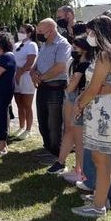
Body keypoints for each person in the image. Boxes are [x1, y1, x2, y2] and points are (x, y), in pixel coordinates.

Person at [71, 15, 111, 218]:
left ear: (99, 32)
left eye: (91, 32)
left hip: (102, 114)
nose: (88, 35)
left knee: (101, 159)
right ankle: (101, 196)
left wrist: (79, 105)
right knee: (100, 158)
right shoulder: (108, 53)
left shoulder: (104, 55)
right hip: (99, 110)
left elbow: (93, 88)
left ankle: (98, 206)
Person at [47, 35, 94, 177]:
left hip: (76, 98)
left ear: (85, 49)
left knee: (78, 137)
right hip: (72, 98)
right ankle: (62, 162)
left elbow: (73, 83)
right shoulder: (75, 62)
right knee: (69, 131)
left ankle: (79, 170)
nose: (73, 50)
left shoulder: (85, 64)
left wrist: (67, 91)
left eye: (75, 47)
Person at [30, 18, 72, 159]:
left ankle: (56, 153)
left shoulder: (62, 45)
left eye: (41, 31)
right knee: (42, 120)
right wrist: (33, 72)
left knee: (54, 123)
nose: (39, 34)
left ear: (52, 30)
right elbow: (37, 63)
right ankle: (47, 147)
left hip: (55, 88)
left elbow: (60, 67)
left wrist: (40, 78)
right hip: (43, 87)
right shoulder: (44, 44)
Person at [12, 24, 38, 140]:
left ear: (29, 33)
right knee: (19, 104)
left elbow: (30, 63)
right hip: (16, 77)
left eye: (22, 31)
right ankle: (21, 126)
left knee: (27, 105)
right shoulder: (17, 45)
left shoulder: (32, 45)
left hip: (26, 78)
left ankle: (28, 129)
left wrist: (19, 72)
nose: (20, 33)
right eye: (20, 31)